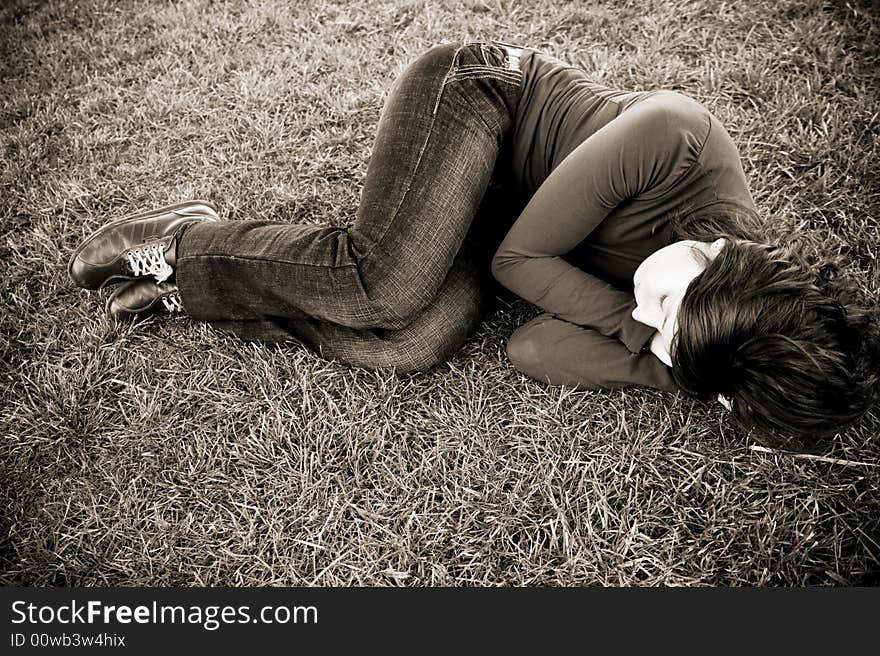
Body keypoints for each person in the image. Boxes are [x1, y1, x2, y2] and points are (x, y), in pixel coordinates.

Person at [68, 41, 879, 447]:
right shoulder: (679, 140)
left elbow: (531, 346)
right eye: (668, 298)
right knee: (383, 285)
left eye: (661, 327)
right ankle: (178, 242)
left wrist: (688, 366)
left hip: (505, 219)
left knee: (415, 342)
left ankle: (190, 297)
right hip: (474, 105)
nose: (647, 310)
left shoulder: (697, 330)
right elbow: (519, 266)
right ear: (724, 257)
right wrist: (650, 331)